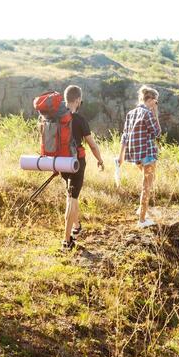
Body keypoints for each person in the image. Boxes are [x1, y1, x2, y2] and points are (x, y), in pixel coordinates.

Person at [60, 85, 105, 251]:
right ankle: (66, 241)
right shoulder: (79, 120)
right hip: (76, 163)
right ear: (78, 100)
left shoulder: (57, 118)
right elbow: (92, 145)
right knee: (71, 199)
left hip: (61, 162)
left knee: (72, 193)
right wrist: (100, 160)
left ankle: (76, 225)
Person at [119, 85, 161, 228]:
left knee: (148, 181)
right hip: (147, 153)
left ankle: (141, 210)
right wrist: (155, 113)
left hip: (135, 155)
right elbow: (157, 133)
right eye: (156, 102)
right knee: (147, 186)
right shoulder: (148, 113)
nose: (156, 104)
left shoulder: (131, 113)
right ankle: (142, 220)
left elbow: (124, 136)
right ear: (151, 100)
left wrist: (121, 156)